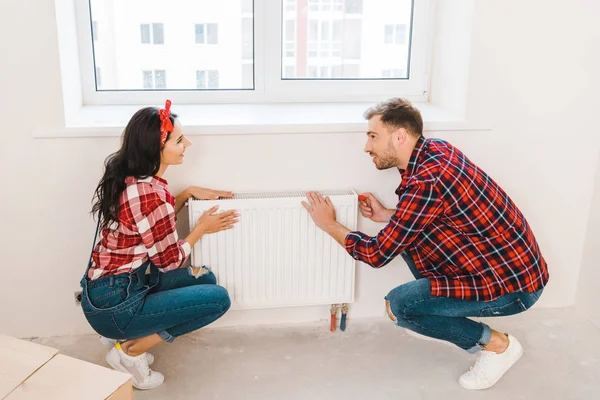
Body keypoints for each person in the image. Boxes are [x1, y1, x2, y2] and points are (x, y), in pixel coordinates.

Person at [302, 97, 549, 390]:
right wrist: (387, 216)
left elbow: (377, 254)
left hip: (514, 289)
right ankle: (436, 313)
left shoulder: (427, 181)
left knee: (401, 307)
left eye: (372, 136)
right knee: (406, 241)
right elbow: (432, 218)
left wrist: (328, 224)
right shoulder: (435, 150)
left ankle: (498, 347)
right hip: (504, 268)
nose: (367, 146)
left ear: (400, 136)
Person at [80, 100, 238, 390]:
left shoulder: (136, 179)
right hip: (116, 306)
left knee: (205, 278)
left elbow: (149, 226)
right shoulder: (151, 195)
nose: (187, 144)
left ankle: (126, 338)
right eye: (179, 140)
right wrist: (201, 228)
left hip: (113, 288)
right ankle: (130, 351)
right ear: (157, 150)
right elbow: (169, 261)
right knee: (218, 300)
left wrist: (188, 193)